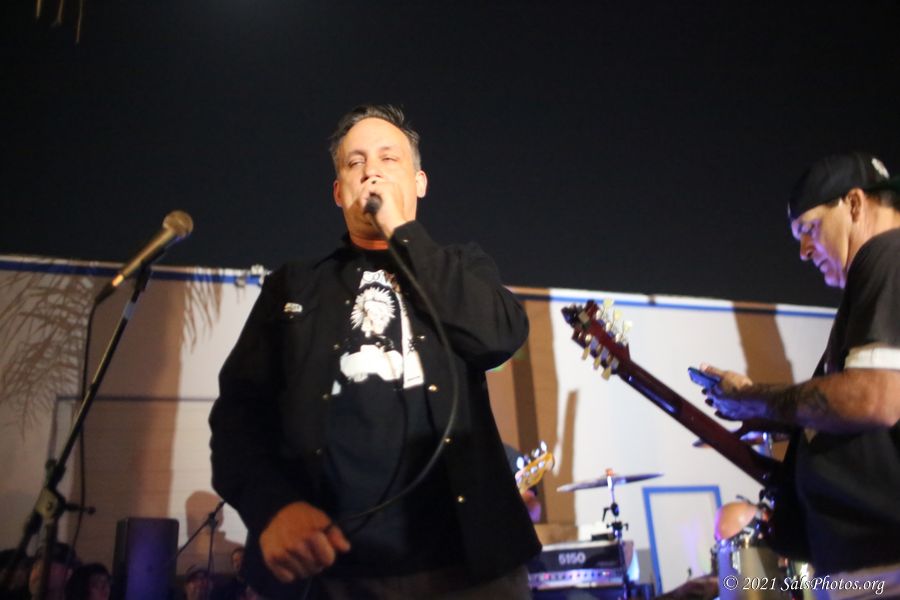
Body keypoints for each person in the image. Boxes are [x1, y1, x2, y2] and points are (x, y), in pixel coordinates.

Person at [209, 104, 540, 599]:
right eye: (355, 162)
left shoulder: (463, 266)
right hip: (331, 575)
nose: (372, 172)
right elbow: (237, 418)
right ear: (338, 191)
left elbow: (499, 336)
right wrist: (272, 507)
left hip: (467, 569)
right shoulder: (293, 285)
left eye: (389, 159)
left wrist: (402, 233)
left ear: (420, 182)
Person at [701, 152, 900, 593]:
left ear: (853, 204)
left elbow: (874, 397)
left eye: (808, 229)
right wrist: (777, 416)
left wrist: (754, 398)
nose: (804, 251)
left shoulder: (887, 253)